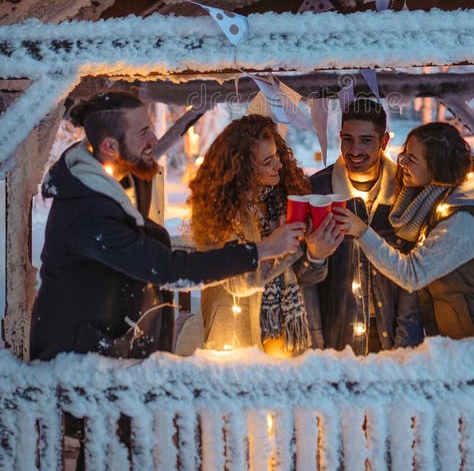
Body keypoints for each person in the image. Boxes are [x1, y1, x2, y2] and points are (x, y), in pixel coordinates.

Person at [30, 92, 300, 362]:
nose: (155, 140)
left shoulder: (129, 179)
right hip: (76, 364)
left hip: (116, 354)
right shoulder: (86, 213)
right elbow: (168, 269)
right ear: (110, 147)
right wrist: (261, 250)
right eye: (143, 132)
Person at [334, 121, 474, 342]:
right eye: (404, 153)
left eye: (412, 159)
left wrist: (362, 232)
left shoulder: (463, 222)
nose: (403, 162)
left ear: (437, 168)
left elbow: (412, 274)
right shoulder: (438, 201)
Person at [186, 114, 342, 357]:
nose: (279, 165)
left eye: (277, 155)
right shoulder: (218, 211)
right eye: (268, 161)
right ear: (242, 169)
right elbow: (238, 284)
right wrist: (286, 247)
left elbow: (308, 278)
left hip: (294, 338)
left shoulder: (287, 197)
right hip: (238, 341)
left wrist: (316, 256)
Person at [311, 98, 423, 354]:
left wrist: (405, 343)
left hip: (392, 333)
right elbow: (306, 278)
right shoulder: (319, 191)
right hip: (337, 337)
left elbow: (414, 277)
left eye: (366, 140)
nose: (355, 149)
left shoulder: (406, 192)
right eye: (347, 139)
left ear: (383, 142)